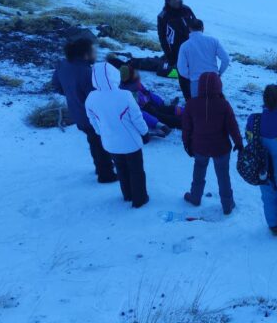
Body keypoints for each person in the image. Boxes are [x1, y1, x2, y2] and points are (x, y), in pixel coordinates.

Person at [85, 62, 150, 208]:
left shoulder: (91, 97)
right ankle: (140, 199)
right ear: (114, 75)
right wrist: (145, 133)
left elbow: (93, 120)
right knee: (136, 171)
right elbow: (137, 118)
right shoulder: (125, 95)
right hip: (130, 142)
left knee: (121, 169)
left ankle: (127, 195)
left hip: (110, 142)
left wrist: (101, 133)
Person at [52, 37, 116, 184]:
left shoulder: (62, 65)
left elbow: (57, 86)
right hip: (93, 117)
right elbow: (98, 98)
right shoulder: (88, 73)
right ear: (85, 54)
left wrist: (73, 95)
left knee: (94, 141)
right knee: (99, 143)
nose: (96, 54)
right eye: (94, 51)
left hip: (77, 113)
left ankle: (101, 168)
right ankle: (106, 174)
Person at [182, 73, 243, 214]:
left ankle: (195, 197)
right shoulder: (224, 105)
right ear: (218, 85)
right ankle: (227, 205)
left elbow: (186, 127)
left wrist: (186, 143)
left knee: (199, 171)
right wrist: (238, 142)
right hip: (221, 148)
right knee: (223, 176)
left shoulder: (191, 104)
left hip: (199, 147)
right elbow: (232, 126)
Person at [247, 85, 277, 236]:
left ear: (264, 99)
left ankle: (273, 225)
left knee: (268, 195)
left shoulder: (253, 119)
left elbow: (249, 140)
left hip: (262, 166)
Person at [157, 0, 197, 99]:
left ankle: (200, 97)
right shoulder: (163, 16)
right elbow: (162, 37)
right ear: (168, 2)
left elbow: (197, 25)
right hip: (177, 52)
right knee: (183, 78)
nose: (177, 1)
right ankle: (189, 100)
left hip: (193, 48)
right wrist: (169, 56)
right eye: (173, 0)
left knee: (197, 75)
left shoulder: (186, 10)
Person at [177, 19, 230, 100]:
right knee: (216, 107)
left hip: (196, 83)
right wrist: (219, 73)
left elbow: (181, 69)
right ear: (202, 28)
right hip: (214, 80)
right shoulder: (213, 41)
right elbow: (226, 59)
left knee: (199, 109)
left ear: (189, 29)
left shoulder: (185, 46)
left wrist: (191, 77)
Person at [119, 65, 182, 132]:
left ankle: (189, 113)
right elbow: (139, 113)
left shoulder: (136, 84)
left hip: (152, 105)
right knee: (168, 118)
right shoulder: (127, 94)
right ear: (131, 77)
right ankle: (188, 122)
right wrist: (157, 124)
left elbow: (149, 95)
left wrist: (163, 102)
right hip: (149, 112)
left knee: (171, 109)